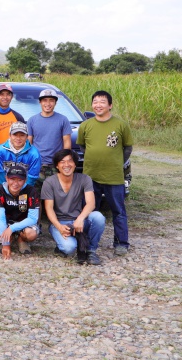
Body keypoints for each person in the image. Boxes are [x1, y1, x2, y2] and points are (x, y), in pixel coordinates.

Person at [77, 90, 133, 256]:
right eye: (95, 101)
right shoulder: (86, 125)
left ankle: (121, 243)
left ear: (110, 105)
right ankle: (86, 241)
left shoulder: (121, 125)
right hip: (90, 177)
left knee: (118, 211)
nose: (98, 105)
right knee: (89, 210)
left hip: (114, 177)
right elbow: (82, 147)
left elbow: (128, 148)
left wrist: (116, 162)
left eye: (102, 101)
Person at [41, 149, 105, 265]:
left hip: (78, 220)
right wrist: (59, 227)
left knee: (98, 217)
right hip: (60, 222)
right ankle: (63, 246)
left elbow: (91, 203)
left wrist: (80, 219)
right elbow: (49, 209)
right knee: (69, 248)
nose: (67, 165)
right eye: (62, 162)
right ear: (57, 165)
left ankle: (91, 251)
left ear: (75, 164)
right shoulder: (49, 182)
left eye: (70, 161)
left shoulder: (84, 179)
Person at [0, 163, 40, 257]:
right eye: (12, 179)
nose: (15, 183)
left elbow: (33, 218)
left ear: (25, 180)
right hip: (6, 220)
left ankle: (21, 240)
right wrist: (6, 244)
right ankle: (10, 238)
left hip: (24, 222)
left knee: (31, 234)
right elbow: (0, 217)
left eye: (20, 180)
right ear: (6, 178)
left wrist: (11, 228)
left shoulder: (31, 191)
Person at [27, 89, 72, 192]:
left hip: (55, 165)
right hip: (37, 165)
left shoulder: (63, 120)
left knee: (55, 196)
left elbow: (67, 143)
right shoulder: (32, 120)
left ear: (55, 103)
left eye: (51, 100)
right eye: (45, 100)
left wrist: (63, 163)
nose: (48, 103)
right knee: (35, 197)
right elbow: (29, 143)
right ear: (40, 102)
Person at [0, 122, 41, 187]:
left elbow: (32, 177)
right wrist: (6, 189)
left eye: (22, 135)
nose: (18, 138)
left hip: (25, 187)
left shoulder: (34, 154)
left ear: (27, 137)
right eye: (15, 134)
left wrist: (22, 189)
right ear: (10, 135)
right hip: (4, 186)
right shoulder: (0, 151)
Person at [0, 83, 26, 148]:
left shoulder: (18, 117)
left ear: (12, 97)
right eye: (2, 94)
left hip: (13, 156)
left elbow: (24, 139)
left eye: (8, 94)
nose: (5, 97)